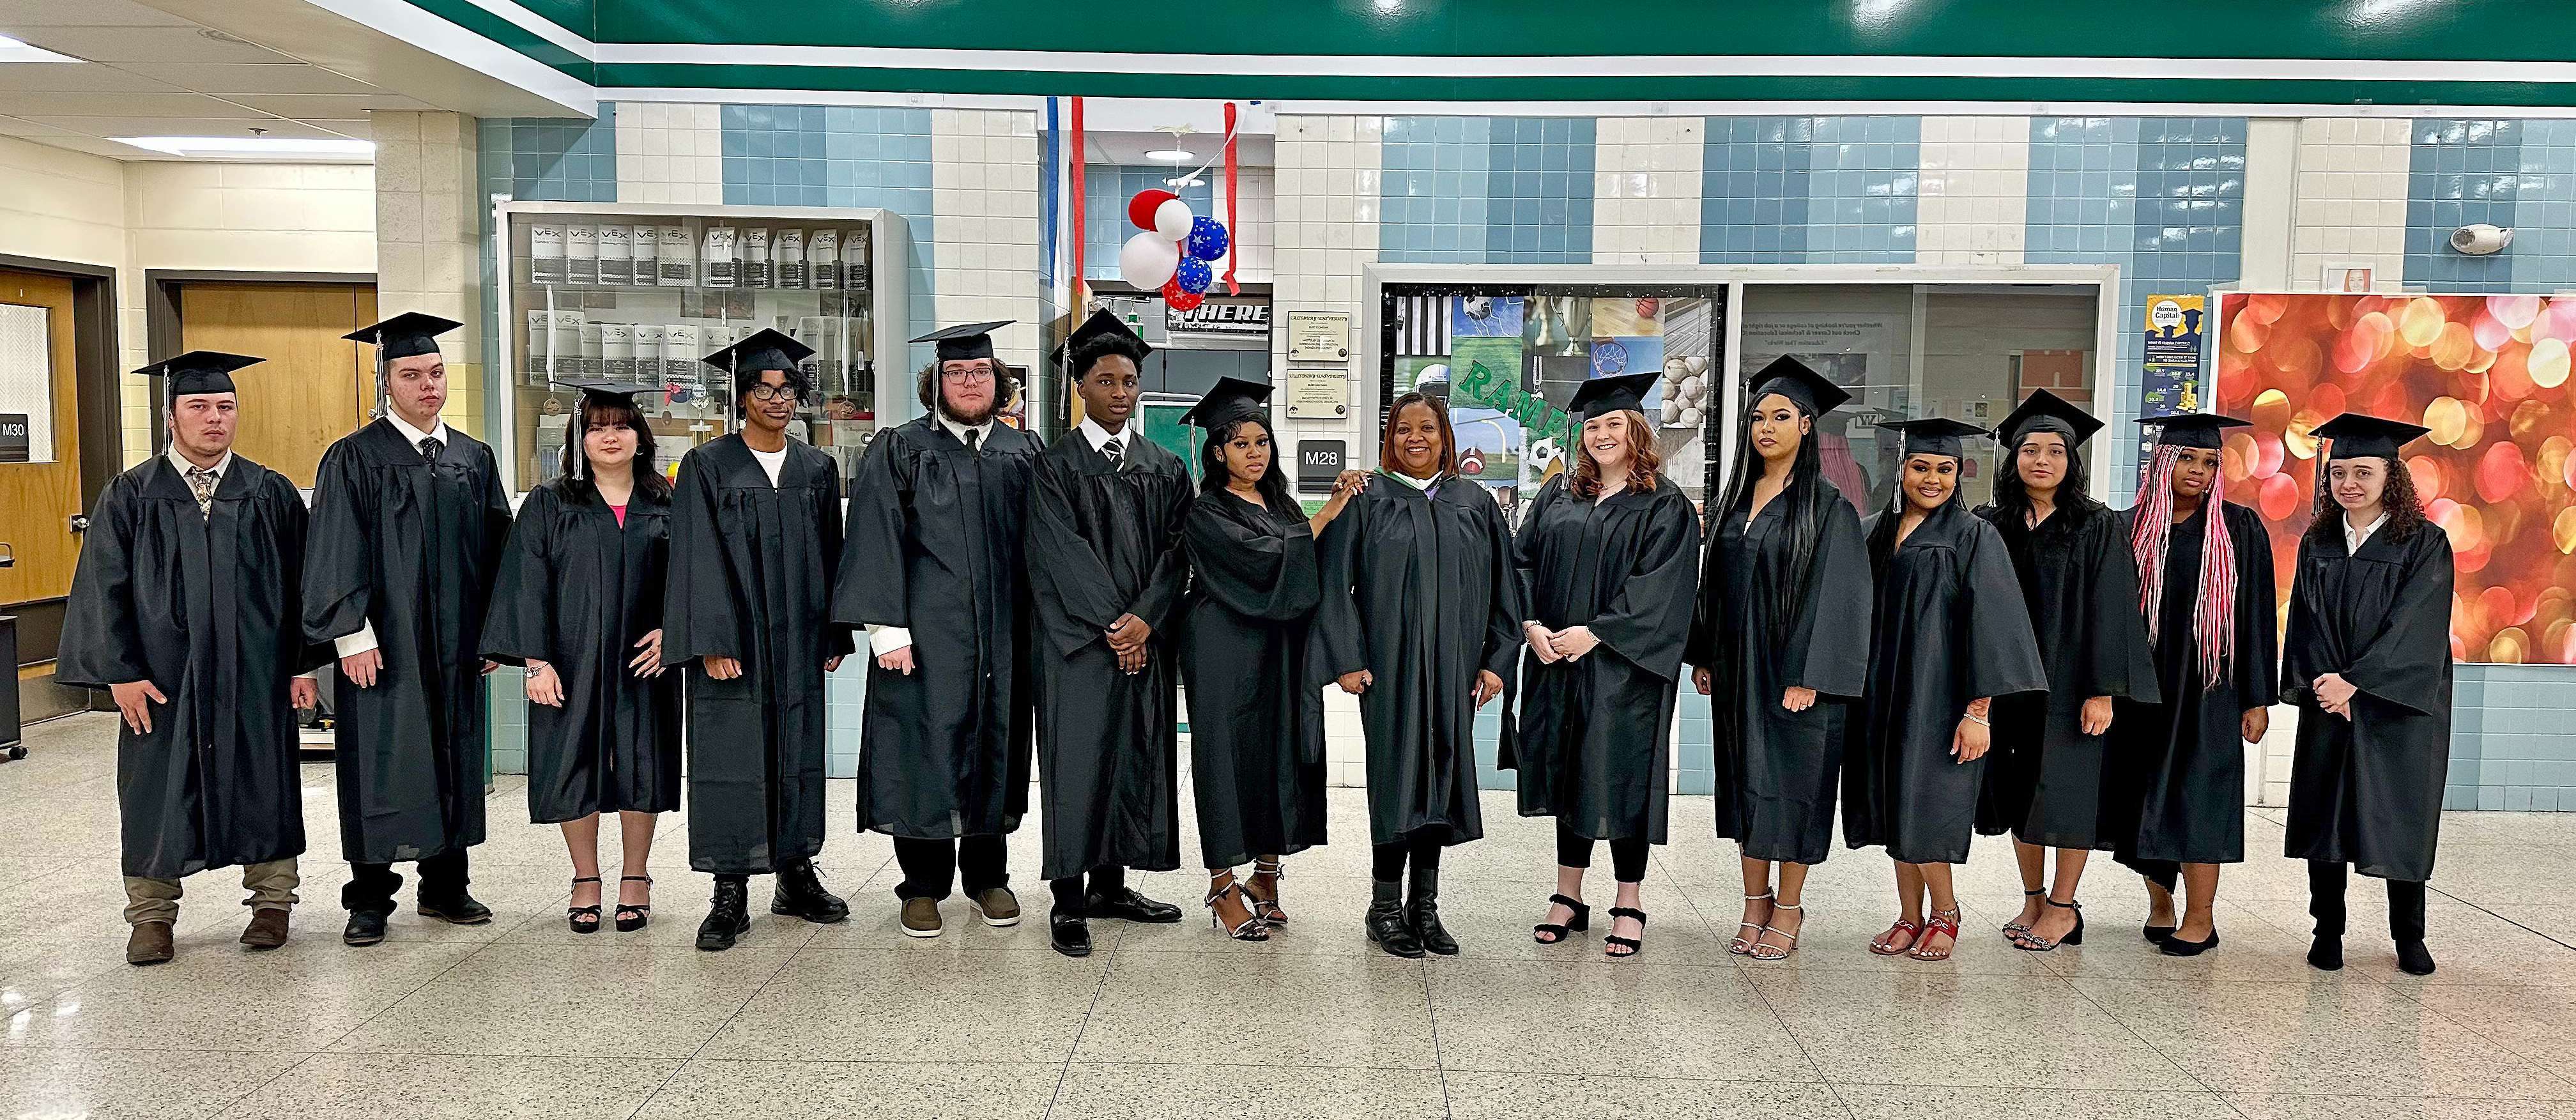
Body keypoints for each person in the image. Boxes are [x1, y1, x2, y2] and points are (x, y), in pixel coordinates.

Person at [58, 353, 326, 964]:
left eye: (225, 407)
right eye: (199, 407)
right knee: (155, 788)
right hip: (163, 679)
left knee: (266, 780)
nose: (214, 419)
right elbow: (104, 587)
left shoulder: (270, 492)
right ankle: (151, 916)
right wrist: (121, 672)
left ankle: (272, 903)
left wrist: (302, 664)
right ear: (170, 415)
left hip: (254, 674)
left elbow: (301, 586)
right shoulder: (131, 494)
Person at [305, 312, 512, 947]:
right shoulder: (355, 457)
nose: (428, 385)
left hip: (455, 646)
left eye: (435, 372)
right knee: (381, 761)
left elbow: (499, 551)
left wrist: (493, 634)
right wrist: (350, 634)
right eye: (412, 374)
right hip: (384, 643)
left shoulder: (471, 457)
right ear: (386, 381)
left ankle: (446, 885)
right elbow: (335, 547)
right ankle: (369, 897)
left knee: (452, 755)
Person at [837, 321, 1039, 939]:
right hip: (924, 634)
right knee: (921, 750)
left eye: (979, 371)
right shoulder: (900, 447)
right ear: (937, 382)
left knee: (993, 745)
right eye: (956, 372)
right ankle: (921, 886)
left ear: (997, 380)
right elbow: (874, 536)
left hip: (1003, 636)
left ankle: (987, 877)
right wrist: (886, 629)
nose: (969, 381)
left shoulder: (1022, 451)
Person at [662, 329, 854, 951]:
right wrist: (712, 640)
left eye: (786, 389)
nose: (777, 399)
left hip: (799, 639)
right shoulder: (707, 466)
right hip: (734, 644)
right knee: (732, 758)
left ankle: (796, 874)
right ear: (741, 396)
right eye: (763, 389)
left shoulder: (817, 468)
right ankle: (730, 889)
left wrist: (834, 631)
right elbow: (693, 557)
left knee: (798, 751)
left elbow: (833, 556)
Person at [1312, 392, 1522, 958]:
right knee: (1395, 779)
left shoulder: (1474, 502)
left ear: (1445, 436)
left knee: (1442, 780)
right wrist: (1349, 659)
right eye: (1403, 428)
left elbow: (1507, 589)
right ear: (1390, 438)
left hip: (1454, 670)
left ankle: (1424, 906)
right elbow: (1335, 583)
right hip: (1390, 668)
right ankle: (1384, 906)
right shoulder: (1367, 498)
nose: (1415, 438)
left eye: (1427, 428)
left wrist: (1496, 662)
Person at [1506, 372, 1701, 960]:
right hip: (1555, 661)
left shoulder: (1664, 503)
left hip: (1624, 670)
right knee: (1568, 772)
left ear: (1636, 430)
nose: (1601, 434)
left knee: (1621, 775)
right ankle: (1568, 896)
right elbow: (1521, 563)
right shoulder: (1558, 495)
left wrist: (1597, 633)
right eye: (1592, 425)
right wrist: (1530, 625)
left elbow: (1664, 588)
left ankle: (1629, 899)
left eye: (1613, 423)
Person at [1683, 357, 1871, 963]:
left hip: (1795, 677)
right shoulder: (1738, 499)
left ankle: (1788, 908)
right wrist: (1706, 651)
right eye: (1758, 416)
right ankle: (1752, 902)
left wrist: (1810, 675)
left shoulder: (1828, 507)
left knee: (1793, 786)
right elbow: (1716, 582)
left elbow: (1840, 597)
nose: (1766, 427)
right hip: (1739, 671)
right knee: (1744, 783)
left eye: (1781, 416)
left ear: (1808, 425)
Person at [1843, 418, 2046, 962]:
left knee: (1928, 808)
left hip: (1939, 699)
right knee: (1893, 807)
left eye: (1945, 469)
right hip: (1882, 696)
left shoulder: (1973, 535)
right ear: (1902, 469)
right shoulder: (1875, 532)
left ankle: (1946, 912)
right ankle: (1910, 915)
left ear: (1959, 473)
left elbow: (1996, 625)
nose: (1933, 479)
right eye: (1921, 467)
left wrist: (1978, 711)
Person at [482, 383, 681, 935]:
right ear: (580, 437)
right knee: (575, 762)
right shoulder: (551, 502)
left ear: (641, 435)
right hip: (571, 658)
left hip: (646, 658)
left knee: (641, 762)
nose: (609, 436)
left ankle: (636, 877)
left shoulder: (669, 501)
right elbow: (525, 582)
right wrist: (535, 661)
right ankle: (586, 878)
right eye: (597, 426)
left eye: (621, 424)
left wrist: (676, 632)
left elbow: (693, 577)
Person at [1023, 311, 1192, 957]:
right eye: (1106, 380)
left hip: (1143, 639)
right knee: (1077, 762)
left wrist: (1147, 618)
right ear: (1081, 388)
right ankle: (1069, 897)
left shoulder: (1164, 465)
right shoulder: (1055, 465)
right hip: (1078, 644)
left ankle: (1111, 884)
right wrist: (1117, 627)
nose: (1121, 392)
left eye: (1130, 380)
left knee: (1133, 756)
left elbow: (1179, 550)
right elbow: (1056, 552)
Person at [1176, 378, 1361, 942]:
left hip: (1277, 647)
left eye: (1262, 442)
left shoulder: (1277, 501)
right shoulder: (1206, 510)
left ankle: (1265, 875)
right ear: (1217, 452)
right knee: (1227, 758)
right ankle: (1221, 885)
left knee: (1275, 752)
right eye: (1242, 444)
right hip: (1222, 647)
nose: (1255, 453)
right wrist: (1328, 511)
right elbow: (1260, 558)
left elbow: (1306, 561)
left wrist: (1344, 511)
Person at [1974, 390, 2160, 953]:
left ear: (2071, 462)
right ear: (2014, 459)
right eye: (2030, 449)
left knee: (2069, 793)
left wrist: (2102, 690)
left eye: (2056, 451)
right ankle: (2032, 897)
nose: (2042, 460)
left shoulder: (2096, 524)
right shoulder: (1990, 522)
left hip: (2072, 682)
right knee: (2019, 791)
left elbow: (2113, 609)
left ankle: (2063, 905)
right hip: (2010, 686)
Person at [2284, 413, 2453, 977]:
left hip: (2396, 706)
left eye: (2363, 471)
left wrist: (2360, 682)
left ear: (2392, 477)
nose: (2349, 483)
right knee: (2325, 818)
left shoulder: (2424, 542)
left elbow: (2416, 623)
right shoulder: (2319, 541)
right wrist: (2326, 684)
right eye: (2339, 472)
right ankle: (2326, 929)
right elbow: (2305, 621)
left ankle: (2409, 934)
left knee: (2400, 815)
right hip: (2330, 698)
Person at [2111, 413, 2276, 956]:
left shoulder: (2239, 529)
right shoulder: (2127, 528)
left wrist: (2257, 697)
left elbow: (2255, 618)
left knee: (2202, 797)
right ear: (2161, 461)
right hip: (2144, 689)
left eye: (2209, 462)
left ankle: (2200, 916)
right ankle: (2160, 905)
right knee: (2145, 797)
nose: (2198, 471)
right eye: (2186, 458)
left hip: (2211, 687)